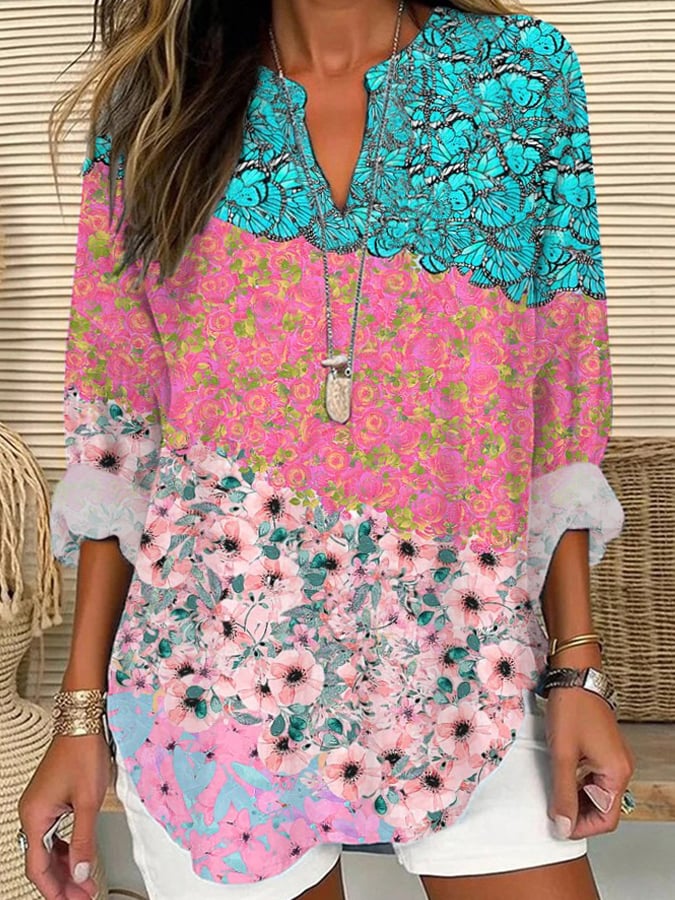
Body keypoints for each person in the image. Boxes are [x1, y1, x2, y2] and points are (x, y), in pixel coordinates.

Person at [18, 1, 636, 898]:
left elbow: (556, 402)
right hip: (210, 680)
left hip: (473, 660)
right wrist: (79, 716)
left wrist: (576, 667)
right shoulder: (159, 102)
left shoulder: (521, 76)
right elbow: (118, 439)